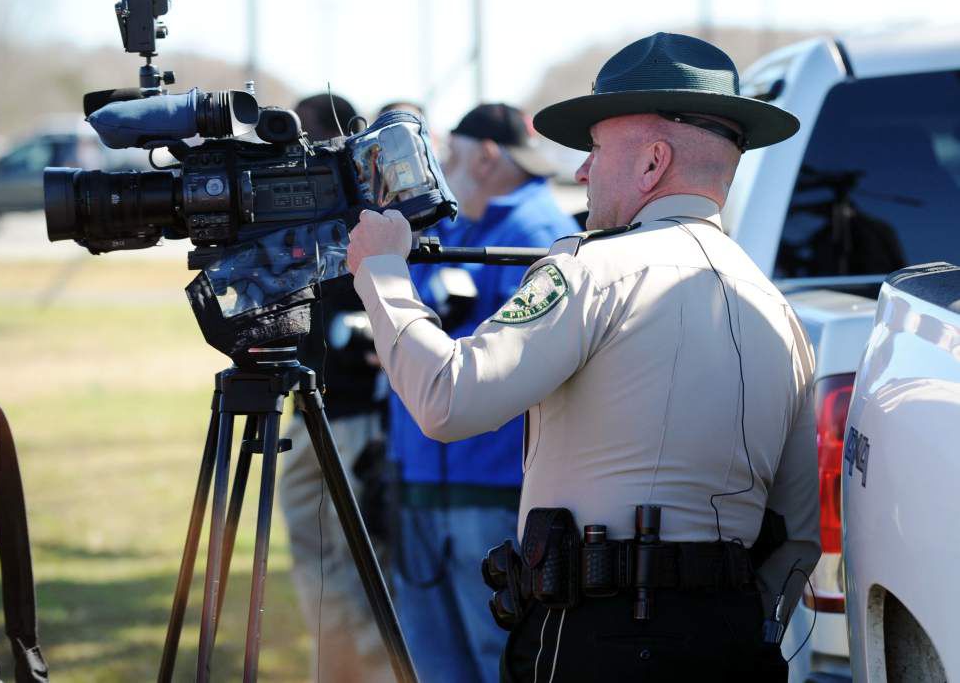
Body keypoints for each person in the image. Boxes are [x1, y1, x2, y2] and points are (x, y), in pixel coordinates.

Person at [346, 33, 821, 681]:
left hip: (597, 638)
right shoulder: (780, 312)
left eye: (594, 149)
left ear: (653, 163)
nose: (580, 171)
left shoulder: (592, 270)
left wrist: (382, 275)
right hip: (738, 641)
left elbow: (448, 398)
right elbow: (795, 536)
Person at [386, 103, 579, 683]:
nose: (443, 167)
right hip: (427, 475)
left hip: (488, 483)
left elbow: (517, 363)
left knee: (493, 654)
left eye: (453, 155)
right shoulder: (467, 223)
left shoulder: (536, 232)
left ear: (489, 157)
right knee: (430, 655)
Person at [277, 94, 394, 683]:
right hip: (302, 407)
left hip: (353, 416)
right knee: (313, 557)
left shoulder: (370, 207)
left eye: (305, 139)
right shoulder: (287, 204)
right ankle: (335, 668)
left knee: (358, 560)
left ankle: (372, 671)